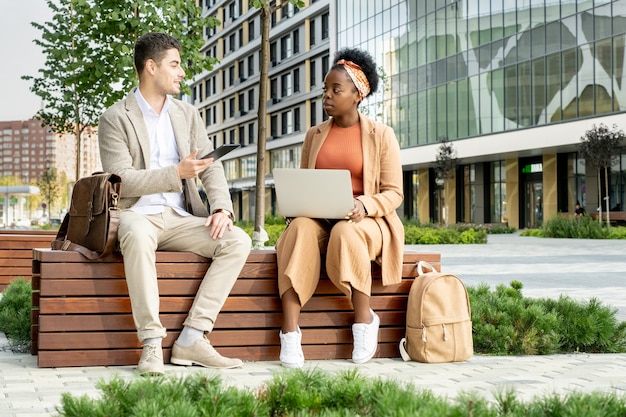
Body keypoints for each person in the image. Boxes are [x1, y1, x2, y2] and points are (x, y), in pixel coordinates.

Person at [98, 32, 251, 376]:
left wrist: (222, 208)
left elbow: (210, 166)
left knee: (237, 240)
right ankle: (151, 344)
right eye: (175, 64)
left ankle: (193, 338)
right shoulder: (115, 118)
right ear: (151, 67)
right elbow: (120, 178)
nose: (182, 72)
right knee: (135, 234)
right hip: (138, 213)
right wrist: (176, 173)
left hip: (182, 216)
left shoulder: (187, 114)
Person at [275, 48, 404, 368]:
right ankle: (289, 333)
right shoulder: (314, 136)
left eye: (336, 90)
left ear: (358, 94)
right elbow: (305, 183)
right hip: (320, 219)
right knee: (300, 230)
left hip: (366, 221)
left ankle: (364, 320)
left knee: (346, 232)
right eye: (325, 90)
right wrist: (296, 206)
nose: (327, 97)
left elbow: (394, 193)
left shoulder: (382, 135)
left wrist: (364, 203)